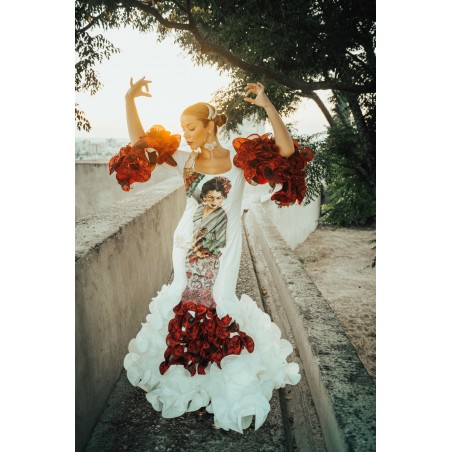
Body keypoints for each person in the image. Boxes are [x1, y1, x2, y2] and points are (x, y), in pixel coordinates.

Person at [121, 76, 303, 433]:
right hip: (187, 245)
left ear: (209, 126)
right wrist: (130, 99)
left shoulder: (240, 159)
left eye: (191, 128)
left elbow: (286, 151)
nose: (185, 134)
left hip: (226, 246)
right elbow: (139, 147)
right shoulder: (186, 160)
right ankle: (190, 377)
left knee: (220, 301)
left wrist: (267, 105)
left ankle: (221, 377)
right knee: (187, 302)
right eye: (182, 128)